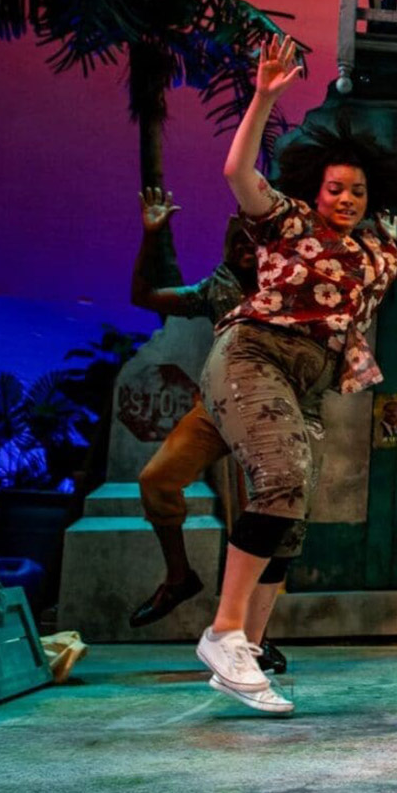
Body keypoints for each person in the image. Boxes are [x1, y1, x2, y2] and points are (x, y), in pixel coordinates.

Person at [194, 35, 397, 715]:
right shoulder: (289, 219)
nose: (345, 197)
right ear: (318, 189)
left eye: (356, 190)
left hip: (306, 380)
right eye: (336, 187)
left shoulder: (378, 252)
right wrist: (264, 97)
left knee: (291, 514)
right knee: (278, 479)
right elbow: (236, 172)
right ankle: (222, 629)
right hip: (254, 354)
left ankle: (245, 649)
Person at [124, 187, 262, 642]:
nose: (246, 249)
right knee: (157, 479)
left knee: (264, 519)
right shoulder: (216, 287)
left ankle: (255, 635)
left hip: (269, 409)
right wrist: (152, 235)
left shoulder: (288, 286)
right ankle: (179, 575)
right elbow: (145, 296)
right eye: (238, 241)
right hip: (219, 404)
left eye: (254, 241)